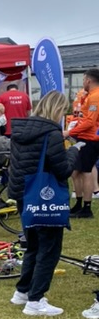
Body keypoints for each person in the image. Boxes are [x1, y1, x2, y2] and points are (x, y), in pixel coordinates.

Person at [8, 92, 78, 316]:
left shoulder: (20, 131)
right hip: (44, 197)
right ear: (57, 110)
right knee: (49, 248)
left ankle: (23, 291)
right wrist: (74, 152)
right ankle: (36, 300)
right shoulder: (52, 134)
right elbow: (63, 170)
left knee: (33, 244)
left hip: (23, 194)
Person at [65, 68, 99, 219]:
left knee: (85, 172)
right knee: (75, 171)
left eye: (84, 79)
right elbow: (81, 116)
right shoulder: (88, 96)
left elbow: (90, 121)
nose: (83, 82)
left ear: (89, 80)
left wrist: (69, 132)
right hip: (83, 136)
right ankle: (79, 204)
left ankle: (86, 207)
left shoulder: (95, 97)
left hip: (89, 139)